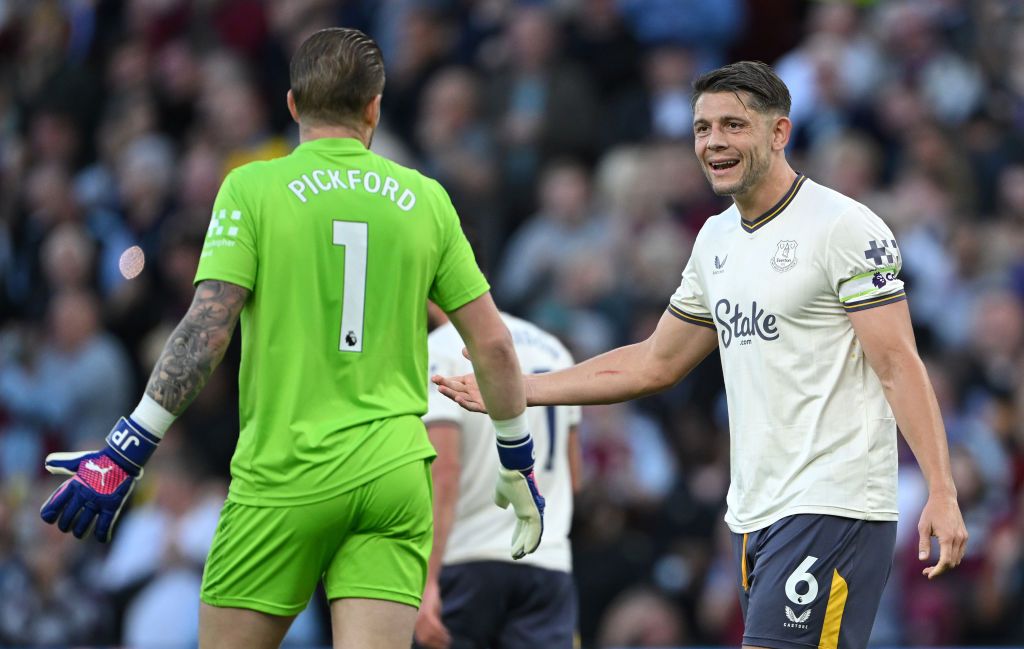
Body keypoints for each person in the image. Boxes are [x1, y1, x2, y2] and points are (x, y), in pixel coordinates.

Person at [433, 60, 969, 649]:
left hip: (833, 505)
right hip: (751, 516)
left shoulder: (843, 226)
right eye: (702, 128)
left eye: (733, 125)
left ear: (779, 132)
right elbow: (654, 363)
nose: (713, 141)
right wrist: (517, 390)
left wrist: (941, 491)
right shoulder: (715, 240)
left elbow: (898, 364)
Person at [38, 28, 545, 649]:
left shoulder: (252, 189)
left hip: (285, 476)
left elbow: (207, 328)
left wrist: (127, 448)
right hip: (392, 476)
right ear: (375, 107)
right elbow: (493, 345)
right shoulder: (427, 200)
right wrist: (517, 461)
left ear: (291, 105)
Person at [415, 306, 582, 649]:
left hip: (465, 560)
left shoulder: (441, 348)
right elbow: (574, 475)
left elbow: (443, 473)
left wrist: (427, 581)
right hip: (546, 563)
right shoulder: (554, 349)